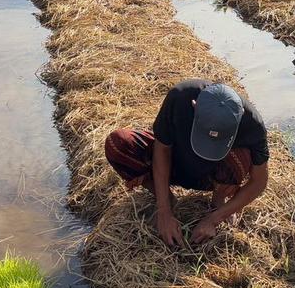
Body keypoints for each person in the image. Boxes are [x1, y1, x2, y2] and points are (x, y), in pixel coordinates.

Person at [104, 80, 270, 246]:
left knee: (243, 155)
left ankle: (218, 201)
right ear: (194, 106)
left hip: (213, 176)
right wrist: (164, 211)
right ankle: (167, 198)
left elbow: (259, 181)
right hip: (176, 165)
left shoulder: (253, 124)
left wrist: (215, 219)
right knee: (117, 142)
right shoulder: (179, 98)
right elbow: (162, 150)